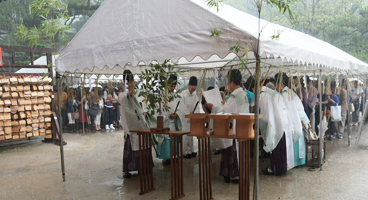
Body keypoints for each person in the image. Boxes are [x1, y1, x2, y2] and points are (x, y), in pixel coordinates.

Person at [119, 70, 151, 179]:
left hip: (141, 122)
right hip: (131, 125)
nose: (130, 84)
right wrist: (128, 93)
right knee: (131, 146)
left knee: (143, 145)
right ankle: (128, 170)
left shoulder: (138, 92)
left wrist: (144, 112)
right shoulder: (123, 94)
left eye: (131, 82)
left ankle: (144, 167)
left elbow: (144, 103)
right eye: (127, 83)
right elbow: (122, 99)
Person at [218, 69, 249, 182]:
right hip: (243, 128)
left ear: (231, 83)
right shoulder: (243, 94)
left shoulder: (234, 96)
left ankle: (233, 174)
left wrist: (214, 107)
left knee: (231, 151)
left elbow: (226, 112)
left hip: (234, 129)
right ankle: (239, 172)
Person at [275, 72, 305, 168]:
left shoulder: (285, 93)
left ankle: (295, 162)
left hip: (297, 119)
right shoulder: (287, 91)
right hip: (300, 117)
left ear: (280, 84)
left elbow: (290, 112)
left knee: (294, 143)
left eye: (276, 84)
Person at [259, 84, 289, 175]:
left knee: (275, 148)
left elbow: (264, 112)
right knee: (280, 148)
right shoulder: (276, 95)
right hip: (281, 124)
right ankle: (281, 168)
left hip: (273, 125)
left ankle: (275, 168)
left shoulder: (264, 95)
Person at [155, 74, 182, 165]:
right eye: (171, 86)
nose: (173, 88)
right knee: (166, 139)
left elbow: (178, 108)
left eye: (174, 86)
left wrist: (176, 114)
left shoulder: (175, 95)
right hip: (166, 121)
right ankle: (166, 157)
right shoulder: (162, 95)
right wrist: (169, 115)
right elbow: (160, 108)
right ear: (168, 85)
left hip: (173, 122)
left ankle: (172, 156)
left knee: (173, 139)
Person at [180, 76, 199, 159]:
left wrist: (195, 115)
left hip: (192, 118)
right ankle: (185, 152)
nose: (193, 87)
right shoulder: (183, 95)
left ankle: (191, 150)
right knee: (186, 135)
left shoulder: (195, 95)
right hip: (185, 118)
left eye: (195, 86)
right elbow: (181, 107)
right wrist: (188, 114)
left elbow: (197, 107)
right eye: (192, 85)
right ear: (188, 85)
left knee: (191, 136)